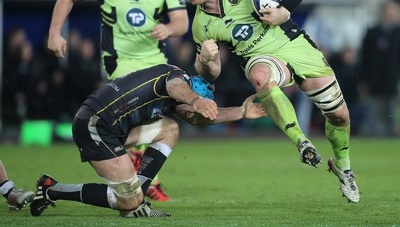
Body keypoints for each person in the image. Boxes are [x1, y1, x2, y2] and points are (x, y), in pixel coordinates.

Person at [175, 0, 360, 203]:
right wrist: (206, 60)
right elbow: (211, 73)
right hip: (259, 59)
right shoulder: (201, 24)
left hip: (295, 46)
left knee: (340, 116)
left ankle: (342, 167)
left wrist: (286, 9)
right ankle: (302, 143)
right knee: (260, 77)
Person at [29, 64, 266, 218]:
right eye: (192, 109)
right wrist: (196, 101)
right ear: (189, 94)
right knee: (128, 202)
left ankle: (138, 197)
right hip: (94, 126)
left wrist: (241, 112)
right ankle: (52, 189)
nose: (193, 115)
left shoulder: (180, 98)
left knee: (170, 128)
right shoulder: (176, 79)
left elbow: (195, 119)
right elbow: (176, 88)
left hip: (115, 128)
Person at [47, 0, 189, 201]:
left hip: (156, 63)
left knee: (158, 122)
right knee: (137, 116)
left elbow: (181, 22)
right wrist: (54, 32)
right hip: (119, 63)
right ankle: (146, 181)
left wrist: (168, 28)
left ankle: (134, 171)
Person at [359, 0, 400, 137]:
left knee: (390, 110)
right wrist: (363, 80)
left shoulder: (397, 33)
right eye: (388, 13)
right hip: (373, 79)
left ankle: (391, 133)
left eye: (392, 14)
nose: (390, 16)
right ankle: (371, 133)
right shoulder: (372, 33)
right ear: (382, 14)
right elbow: (364, 58)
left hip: (392, 78)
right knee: (372, 109)